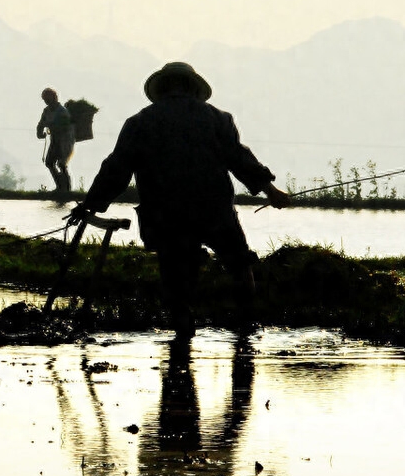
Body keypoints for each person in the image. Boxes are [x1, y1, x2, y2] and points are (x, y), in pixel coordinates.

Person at [69, 62, 289, 336]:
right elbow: (240, 159)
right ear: (193, 88)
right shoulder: (218, 118)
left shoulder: (139, 122)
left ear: (161, 89)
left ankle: (183, 337)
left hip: (164, 214)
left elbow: (116, 169)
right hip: (214, 211)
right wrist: (272, 191)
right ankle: (246, 330)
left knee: (175, 277)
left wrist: (89, 205)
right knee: (239, 264)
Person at [37, 88, 75, 193]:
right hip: (55, 140)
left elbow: (64, 127)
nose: (46, 101)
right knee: (49, 162)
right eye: (45, 99)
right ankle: (60, 186)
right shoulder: (46, 111)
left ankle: (66, 189)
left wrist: (51, 127)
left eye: (47, 98)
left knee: (62, 164)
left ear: (54, 97)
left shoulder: (62, 112)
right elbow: (41, 124)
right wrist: (40, 133)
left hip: (65, 140)